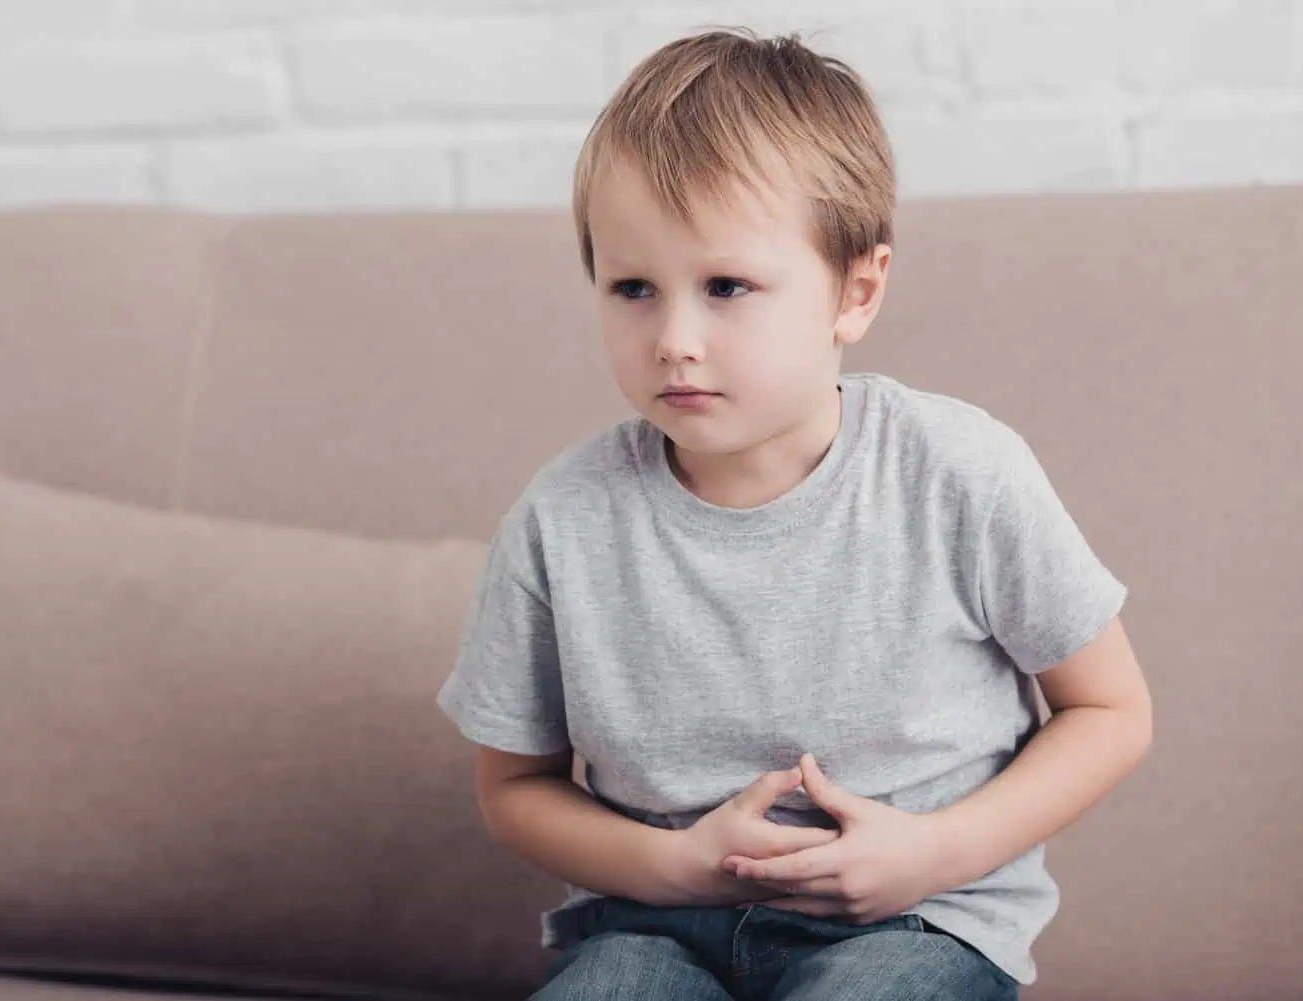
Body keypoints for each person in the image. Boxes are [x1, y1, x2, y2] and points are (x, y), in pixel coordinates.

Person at [436, 27, 1152, 1001]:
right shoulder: (562, 518)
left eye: (727, 286)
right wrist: (681, 863)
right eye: (633, 288)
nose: (674, 340)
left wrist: (935, 851)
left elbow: (1110, 709)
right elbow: (515, 787)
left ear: (854, 291)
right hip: (653, 925)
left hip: (920, 921)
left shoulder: (956, 472)